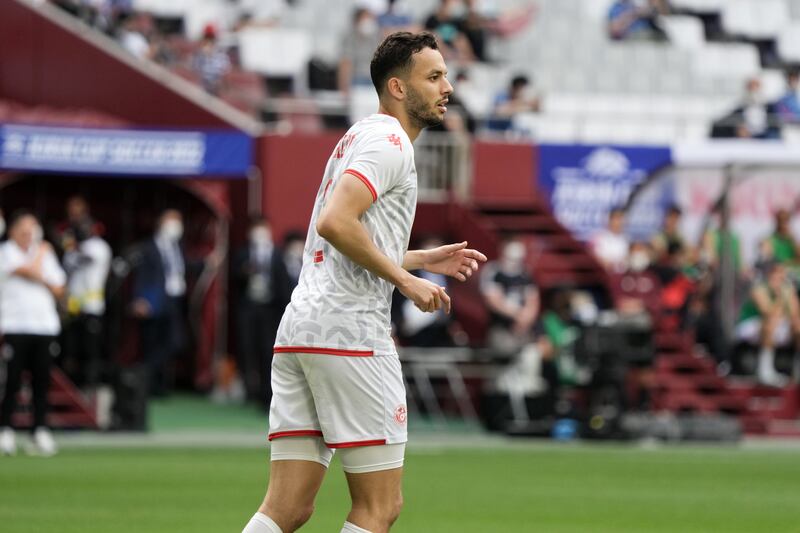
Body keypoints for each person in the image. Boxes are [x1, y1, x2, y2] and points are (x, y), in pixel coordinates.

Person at [241, 31, 486, 533]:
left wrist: (419, 259)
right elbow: (336, 222)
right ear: (397, 87)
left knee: (287, 508)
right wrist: (405, 280)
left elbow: (338, 239)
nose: (447, 87)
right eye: (434, 77)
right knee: (379, 507)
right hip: (350, 333)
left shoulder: (359, 135)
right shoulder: (391, 142)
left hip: (302, 329)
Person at [0, 211, 66, 456]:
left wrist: (41, 265)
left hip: (44, 326)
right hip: (15, 325)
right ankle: (5, 429)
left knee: (41, 381)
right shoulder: (6, 251)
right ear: (13, 231)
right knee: (12, 380)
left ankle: (39, 430)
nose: (29, 235)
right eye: (25, 230)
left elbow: (59, 288)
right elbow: (25, 271)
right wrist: (40, 255)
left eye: (33, 230)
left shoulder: (45, 254)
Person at [130, 209, 190, 397]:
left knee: (174, 342)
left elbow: (183, 267)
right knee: (151, 342)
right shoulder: (148, 247)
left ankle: (152, 378)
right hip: (153, 300)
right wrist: (139, 299)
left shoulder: (179, 247)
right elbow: (141, 275)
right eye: (172, 220)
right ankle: (148, 384)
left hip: (174, 300)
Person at [233, 217, 291, 408]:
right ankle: (250, 389)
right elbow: (234, 277)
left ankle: (267, 393)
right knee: (247, 347)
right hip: (248, 307)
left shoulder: (278, 254)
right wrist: (244, 272)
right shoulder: (243, 253)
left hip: (270, 309)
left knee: (268, 350)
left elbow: (283, 283)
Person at [61, 216, 112, 390]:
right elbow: (67, 269)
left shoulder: (99, 246)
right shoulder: (71, 249)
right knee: (70, 346)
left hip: (92, 306)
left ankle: (90, 384)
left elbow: (87, 259)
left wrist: (72, 247)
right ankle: (71, 383)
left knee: (90, 348)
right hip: (73, 305)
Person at [736, 262, 800, 387]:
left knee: (798, 326)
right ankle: (765, 371)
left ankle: (797, 371)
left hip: (776, 324)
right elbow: (768, 313)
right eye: (776, 274)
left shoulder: (787, 290)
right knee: (770, 324)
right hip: (750, 326)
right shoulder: (759, 288)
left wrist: (790, 297)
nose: (779, 278)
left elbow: (794, 314)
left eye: (781, 275)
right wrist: (781, 297)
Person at [339, 8, 383, 94]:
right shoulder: (350, 38)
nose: (368, 22)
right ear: (357, 21)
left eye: (370, 18)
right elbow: (345, 63)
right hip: (357, 81)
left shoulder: (376, 37)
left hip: (374, 80)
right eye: (365, 18)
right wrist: (344, 87)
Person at [192, 24, 232, 95]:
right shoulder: (198, 55)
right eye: (207, 38)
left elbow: (225, 71)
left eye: (211, 38)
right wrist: (205, 55)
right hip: (202, 89)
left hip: (217, 89)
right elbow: (195, 71)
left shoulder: (221, 55)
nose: (209, 41)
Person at [591, 208, 630, 273]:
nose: (619, 222)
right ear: (610, 220)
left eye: (621, 219)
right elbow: (594, 259)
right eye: (616, 219)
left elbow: (627, 261)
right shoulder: (599, 238)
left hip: (621, 275)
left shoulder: (626, 239)